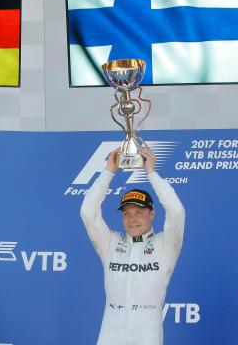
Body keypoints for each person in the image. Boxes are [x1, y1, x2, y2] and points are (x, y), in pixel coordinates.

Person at [80, 148, 185, 345]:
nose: (132, 219)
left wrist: (151, 173)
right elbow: (87, 211)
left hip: (147, 332)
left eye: (139, 212)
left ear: (152, 213)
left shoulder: (166, 244)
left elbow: (177, 211)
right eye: (127, 213)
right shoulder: (110, 242)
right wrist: (109, 171)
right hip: (111, 331)